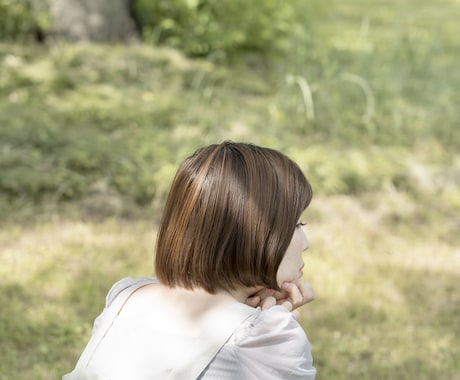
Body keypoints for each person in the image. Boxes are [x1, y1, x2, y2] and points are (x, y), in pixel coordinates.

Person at [63, 141, 317, 379]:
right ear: (253, 235)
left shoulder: (124, 296)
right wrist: (273, 324)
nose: (305, 242)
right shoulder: (266, 337)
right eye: (297, 225)